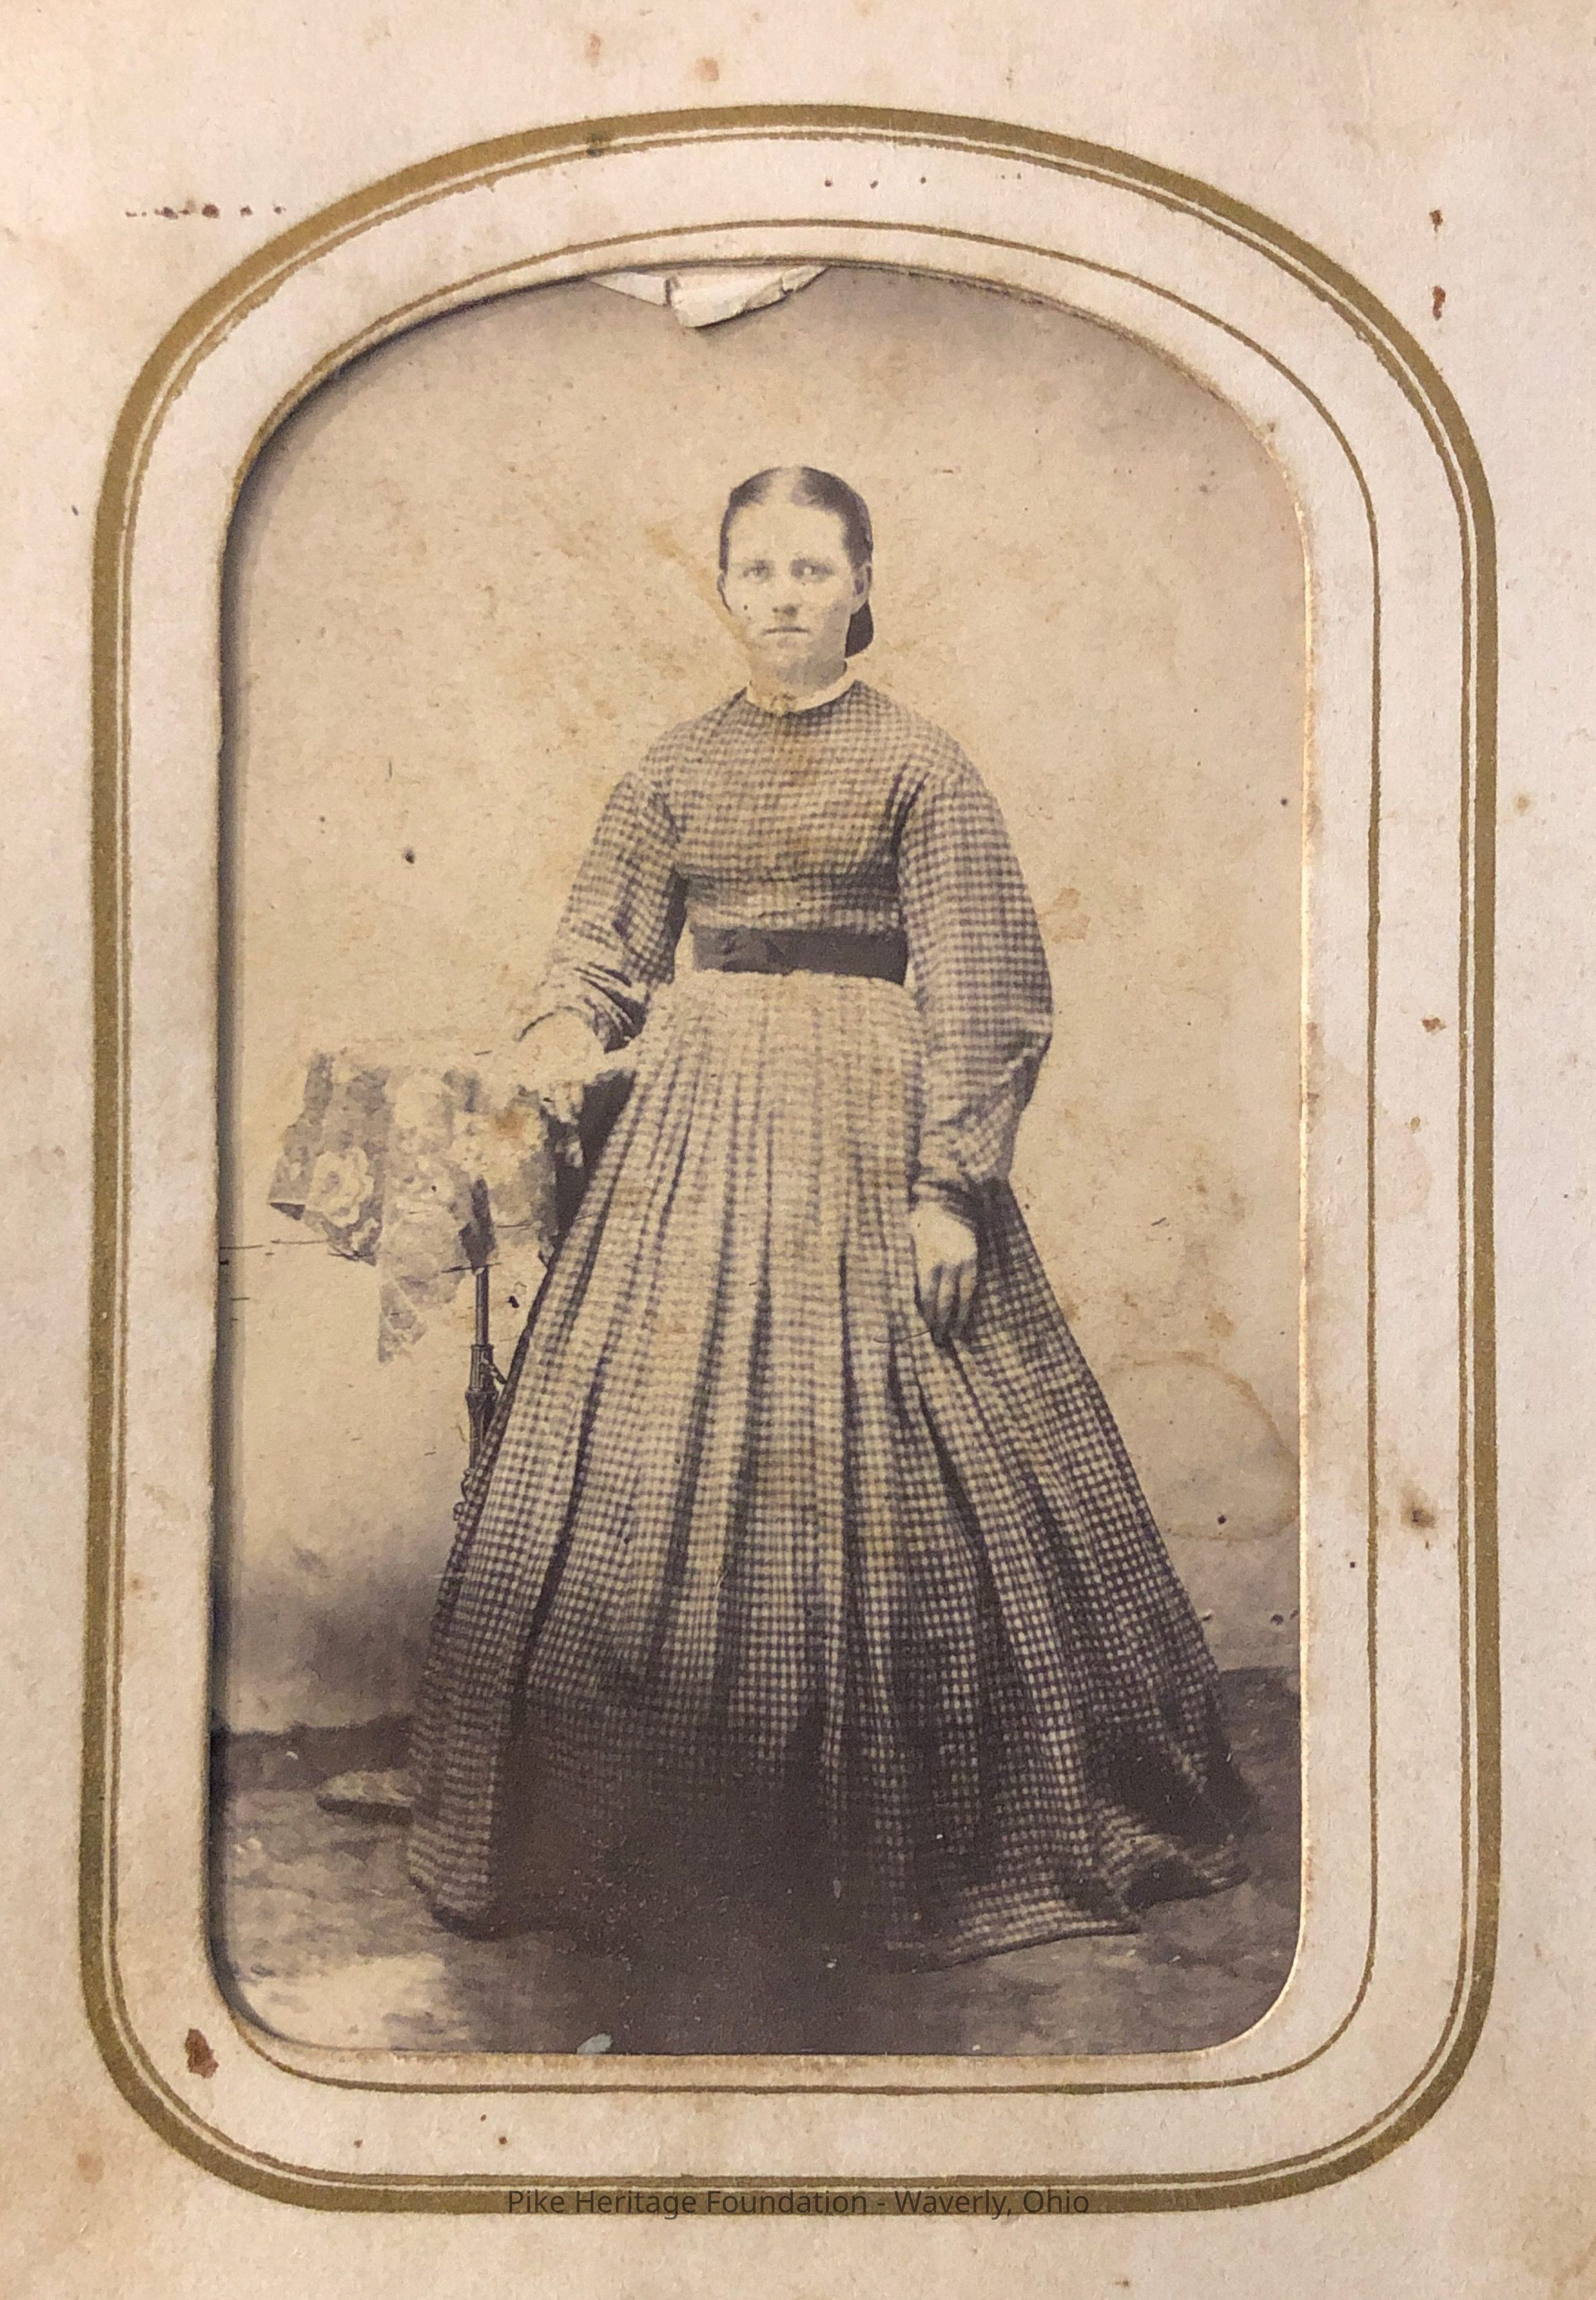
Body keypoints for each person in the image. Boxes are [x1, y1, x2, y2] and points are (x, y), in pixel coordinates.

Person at [407, 466, 1252, 2044]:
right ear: (722, 587)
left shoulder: (922, 764)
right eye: (758, 569)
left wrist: (951, 1190)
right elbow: (599, 951)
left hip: (871, 1120)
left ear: (861, 585)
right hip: (692, 1124)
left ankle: (905, 1833)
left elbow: (985, 981)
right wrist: (557, 1038)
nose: (785, 595)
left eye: (814, 568)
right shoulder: (671, 768)